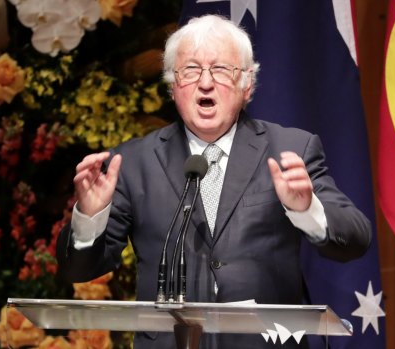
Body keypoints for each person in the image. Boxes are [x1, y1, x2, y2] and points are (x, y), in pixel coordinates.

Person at [57, 14, 371, 349]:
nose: (205, 83)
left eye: (221, 70)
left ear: (246, 85)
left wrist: (308, 209)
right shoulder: (133, 162)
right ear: (173, 85)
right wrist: (89, 218)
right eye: (190, 70)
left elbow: (355, 237)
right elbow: (79, 269)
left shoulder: (290, 150)